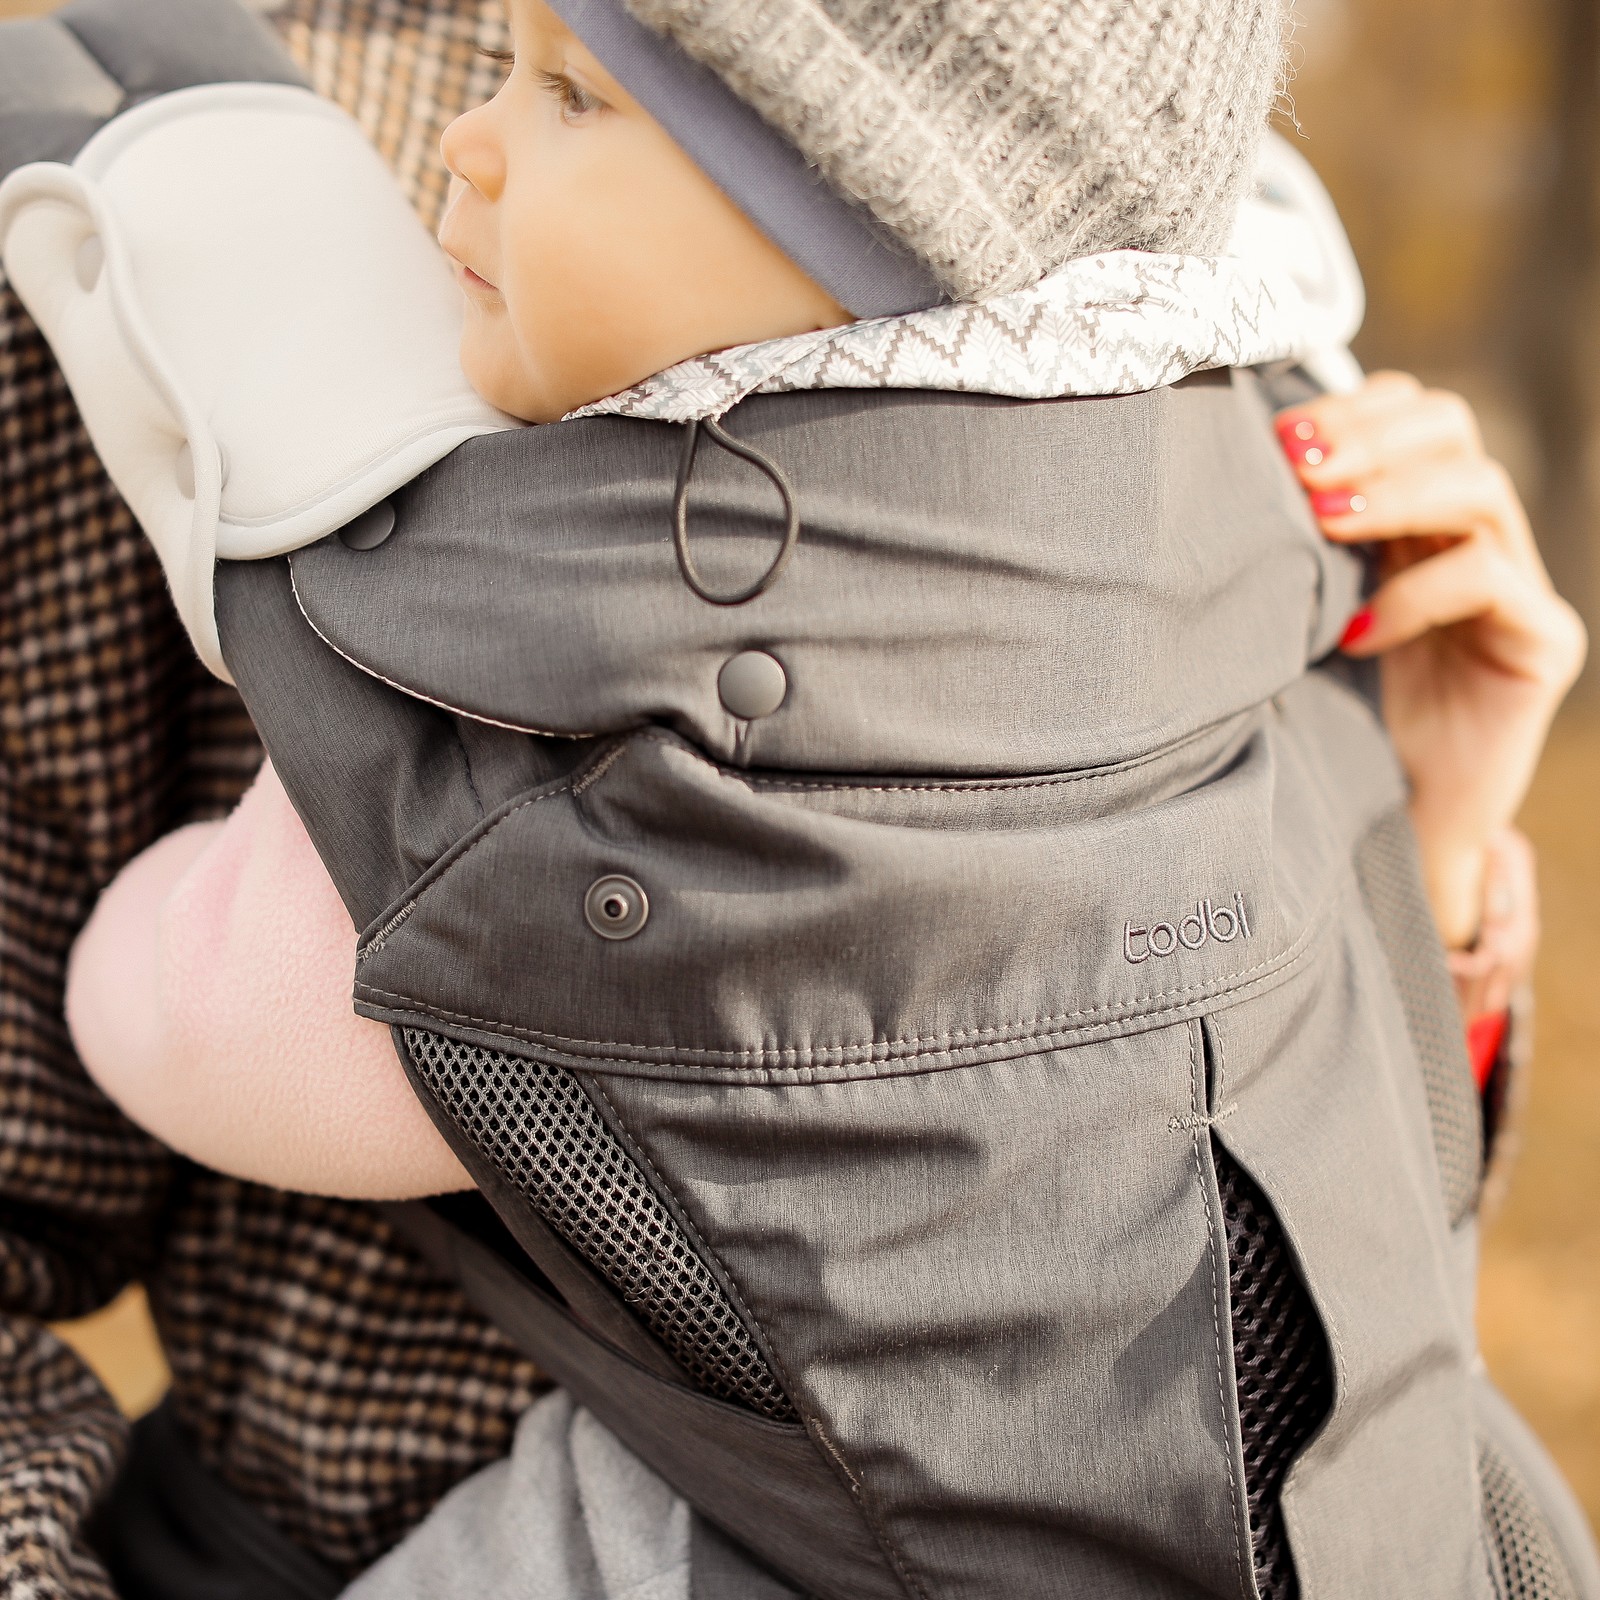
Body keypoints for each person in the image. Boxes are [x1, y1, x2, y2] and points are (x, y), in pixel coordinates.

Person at [5, 0, 1592, 1592]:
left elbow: (1236, 1237)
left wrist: (1417, 850)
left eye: (564, 94)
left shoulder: (1127, 150)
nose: (468, 144)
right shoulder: (127, 255)